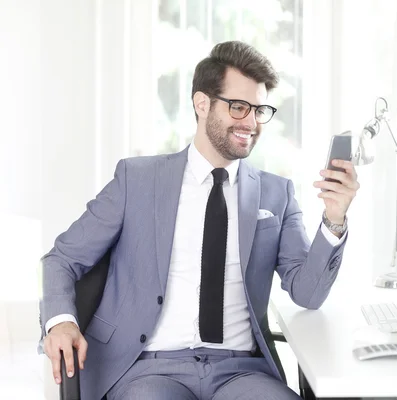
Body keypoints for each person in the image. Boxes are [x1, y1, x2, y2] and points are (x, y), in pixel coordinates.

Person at [39, 41, 359, 400]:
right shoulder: (137, 180)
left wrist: (334, 218)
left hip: (241, 372)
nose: (251, 123)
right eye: (239, 107)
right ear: (202, 103)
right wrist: (61, 321)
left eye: (260, 110)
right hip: (146, 369)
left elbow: (308, 292)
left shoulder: (276, 194)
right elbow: (62, 259)